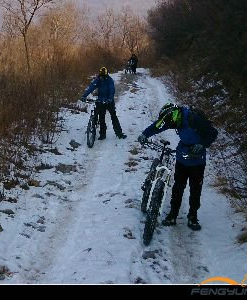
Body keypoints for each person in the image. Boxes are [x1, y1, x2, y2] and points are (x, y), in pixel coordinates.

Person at [138, 102, 218, 230]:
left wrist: (202, 144)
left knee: (195, 189)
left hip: (197, 160)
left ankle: (193, 217)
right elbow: (158, 126)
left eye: (172, 123)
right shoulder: (172, 119)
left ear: (175, 116)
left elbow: (213, 133)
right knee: (177, 188)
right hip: (182, 158)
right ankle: (172, 215)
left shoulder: (193, 119)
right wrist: (145, 134)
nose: (171, 126)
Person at [81, 67, 127, 140]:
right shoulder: (98, 79)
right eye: (100, 76)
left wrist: (109, 99)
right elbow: (92, 87)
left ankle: (119, 133)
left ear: (106, 75)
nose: (101, 77)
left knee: (113, 117)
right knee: (101, 118)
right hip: (100, 101)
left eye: (103, 76)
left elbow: (112, 90)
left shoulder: (110, 80)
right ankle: (102, 134)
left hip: (109, 102)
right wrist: (84, 95)